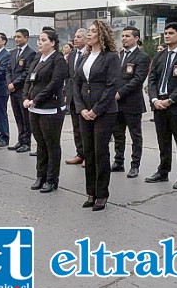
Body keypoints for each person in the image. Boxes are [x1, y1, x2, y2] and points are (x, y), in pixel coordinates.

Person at [73, 19, 120, 211]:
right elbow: (76, 84)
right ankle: (91, 192)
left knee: (100, 152)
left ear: (102, 35)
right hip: (85, 111)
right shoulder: (84, 56)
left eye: (93, 31)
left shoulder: (111, 57)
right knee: (89, 152)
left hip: (104, 112)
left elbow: (111, 87)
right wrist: (82, 108)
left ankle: (102, 194)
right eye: (89, 31)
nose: (89, 34)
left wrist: (96, 110)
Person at [145, 23, 177, 190]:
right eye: (165, 33)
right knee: (163, 141)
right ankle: (163, 171)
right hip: (159, 104)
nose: (167, 36)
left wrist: (171, 100)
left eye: (171, 33)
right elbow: (151, 79)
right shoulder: (160, 56)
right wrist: (154, 99)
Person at [24, 30, 69, 192]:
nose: (40, 43)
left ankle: (51, 179)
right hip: (34, 108)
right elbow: (29, 79)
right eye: (39, 40)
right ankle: (40, 176)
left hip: (50, 108)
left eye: (43, 40)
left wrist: (36, 100)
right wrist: (25, 97)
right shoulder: (37, 58)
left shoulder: (58, 60)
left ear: (52, 43)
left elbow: (54, 84)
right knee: (40, 144)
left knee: (51, 144)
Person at [112, 26, 151, 178]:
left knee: (135, 135)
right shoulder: (119, 55)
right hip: (116, 103)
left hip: (132, 102)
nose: (124, 38)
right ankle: (118, 161)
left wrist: (120, 93)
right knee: (118, 134)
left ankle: (135, 165)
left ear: (136, 38)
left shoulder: (142, 57)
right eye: (122, 36)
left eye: (127, 36)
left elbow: (138, 80)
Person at [6, 28, 37, 153]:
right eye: (15, 37)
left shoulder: (30, 53)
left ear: (26, 38)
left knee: (25, 117)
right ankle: (20, 139)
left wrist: (15, 83)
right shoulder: (13, 53)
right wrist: (9, 83)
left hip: (22, 89)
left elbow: (27, 72)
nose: (16, 39)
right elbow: (8, 69)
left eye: (19, 37)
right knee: (17, 116)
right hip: (12, 90)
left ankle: (26, 142)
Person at [64, 28, 88, 166]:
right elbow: (69, 76)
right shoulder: (72, 55)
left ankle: (88, 155)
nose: (76, 39)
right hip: (73, 96)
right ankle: (80, 153)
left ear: (86, 38)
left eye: (79, 36)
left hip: (85, 97)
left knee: (85, 128)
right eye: (75, 36)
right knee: (76, 127)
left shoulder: (89, 53)